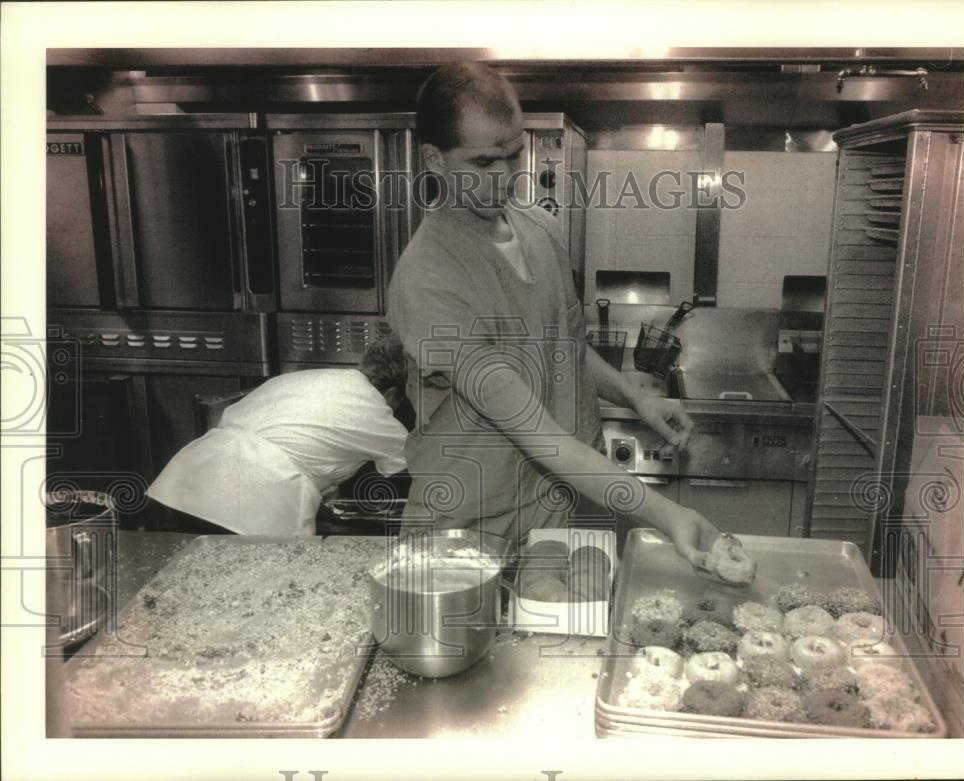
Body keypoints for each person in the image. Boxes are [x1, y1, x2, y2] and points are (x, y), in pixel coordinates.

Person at [387, 61, 720, 569]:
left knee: (564, 642)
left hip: (555, 513)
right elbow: (533, 431)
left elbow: (566, 346)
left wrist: (635, 397)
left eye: (513, 155)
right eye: (481, 163)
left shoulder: (539, 228)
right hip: (469, 529)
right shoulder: (430, 278)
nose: (502, 177)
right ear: (435, 159)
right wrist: (667, 514)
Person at [146, 335, 410, 535]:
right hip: (249, 509)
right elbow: (413, 471)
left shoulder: (311, 378)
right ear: (394, 394)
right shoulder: (378, 414)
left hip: (184, 483)